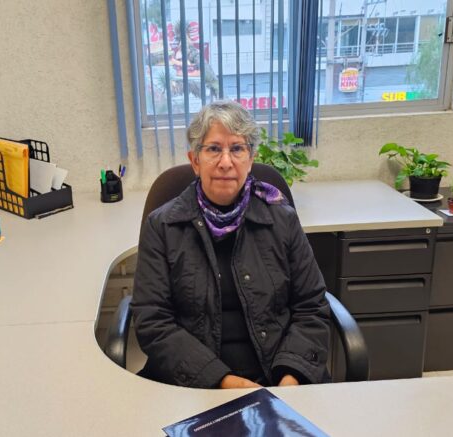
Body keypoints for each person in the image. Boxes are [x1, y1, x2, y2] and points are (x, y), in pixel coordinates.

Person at [131, 100, 331, 389]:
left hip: (278, 377)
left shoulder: (281, 219)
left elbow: (311, 306)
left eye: (237, 149)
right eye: (213, 149)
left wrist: (291, 378)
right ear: (195, 161)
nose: (226, 162)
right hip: (194, 384)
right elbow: (153, 321)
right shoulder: (162, 226)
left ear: (250, 159)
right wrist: (222, 381)